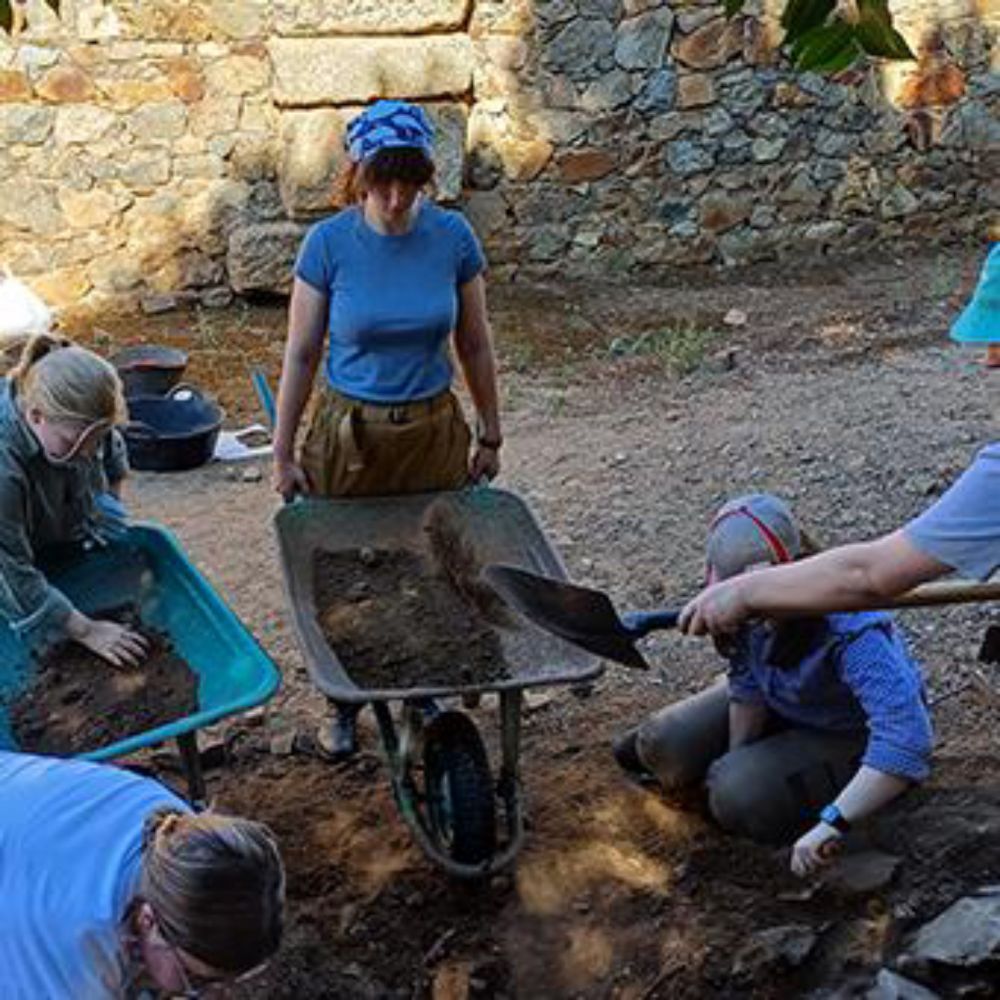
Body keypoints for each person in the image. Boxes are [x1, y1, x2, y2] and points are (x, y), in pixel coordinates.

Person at [271, 99, 502, 756]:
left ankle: (420, 688)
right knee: (342, 567)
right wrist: (284, 451)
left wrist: (490, 433)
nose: (397, 198)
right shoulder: (328, 245)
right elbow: (301, 353)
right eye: (382, 180)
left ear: (427, 176)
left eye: (410, 181)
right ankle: (344, 699)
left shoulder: (453, 238)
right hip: (350, 434)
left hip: (431, 429)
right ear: (358, 174)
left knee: (424, 561)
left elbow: (476, 346)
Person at [616, 494, 933, 877]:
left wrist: (833, 822)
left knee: (736, 796)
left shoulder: (853, 629)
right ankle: (747, 778)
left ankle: (810, 801)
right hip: (788, 704)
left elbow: (907, 739)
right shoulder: (738, 605)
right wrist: (734, 756)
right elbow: (747, 681)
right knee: (660, 745)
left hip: (850, 732)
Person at [0, 749, 284, 998]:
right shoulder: (74, 951)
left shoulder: (181, 840)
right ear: (148, 920)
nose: (215, 994)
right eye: (197, 979)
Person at [0, 333, 147, 668]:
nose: (88, 453)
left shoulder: (83, 422)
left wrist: (103, 510)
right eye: (75, 441)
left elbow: (111, 455)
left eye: (96, 438)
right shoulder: (4, 467)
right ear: (35, 416)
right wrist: (86, 630)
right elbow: (11, 572)